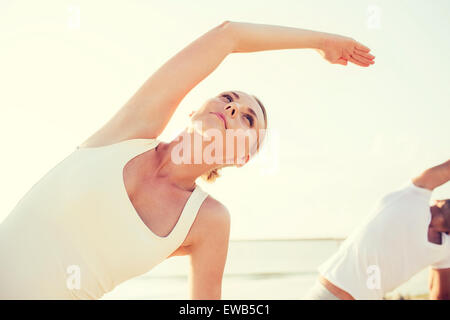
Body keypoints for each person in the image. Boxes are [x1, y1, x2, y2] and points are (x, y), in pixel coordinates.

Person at [0, 20, 374, 299]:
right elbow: (228, 35)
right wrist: (320, 42)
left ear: (244, 157)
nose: (233, 107)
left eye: (248, 119)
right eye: (228, 97)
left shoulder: (208, 220)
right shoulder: (130, 133)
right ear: (196, 107)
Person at [304, 159, 450, 300]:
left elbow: (440, 295)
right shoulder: (414, 198)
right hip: (331, 293)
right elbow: (440, 296)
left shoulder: (412, 197)